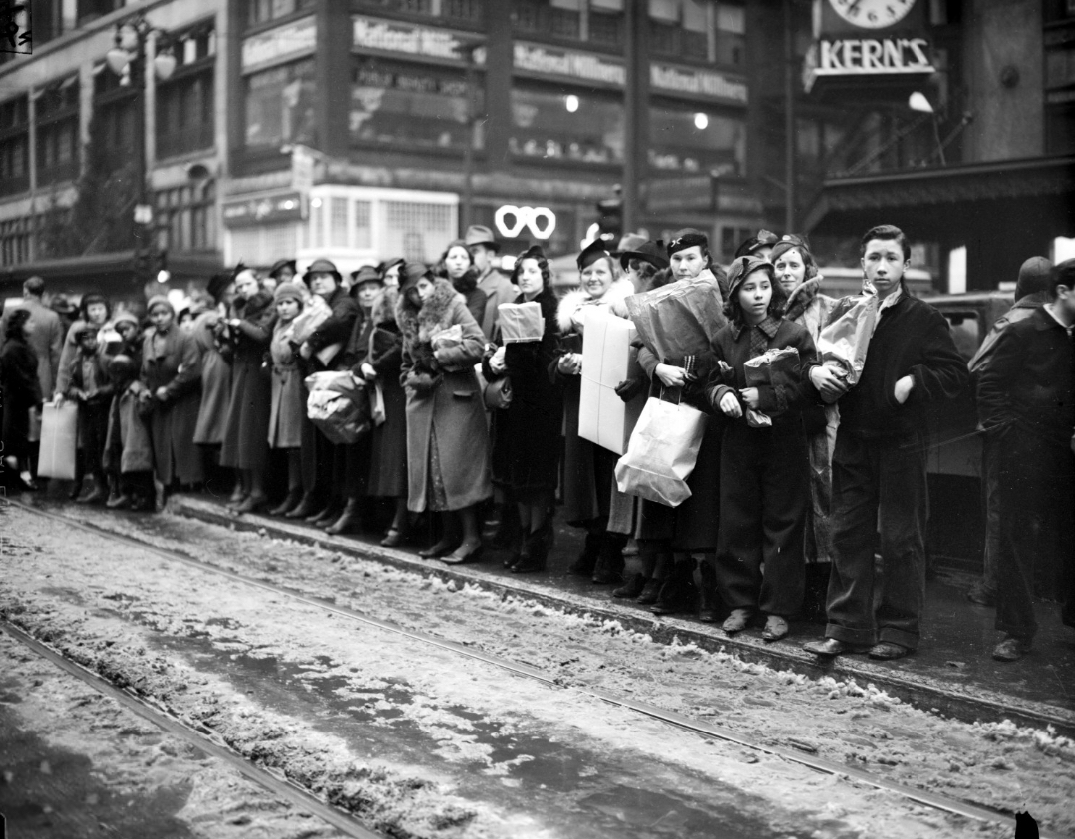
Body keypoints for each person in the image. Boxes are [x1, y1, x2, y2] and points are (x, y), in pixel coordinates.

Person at [803, 225, 968, 661]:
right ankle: (847, 627)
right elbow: (823, 361)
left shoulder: (924, 319)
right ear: (862, 262)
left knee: (900, 539)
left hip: (901, 444)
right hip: (854, 439)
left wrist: (914, 380)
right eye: (874, 257)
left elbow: (955, 374)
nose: (881, 267)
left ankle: (899, 630)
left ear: (906, 265)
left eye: (891, 258)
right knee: (848, 535)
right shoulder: (845, 312)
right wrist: (821, 377)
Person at [705, 256, 817, 642]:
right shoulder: (724, 338)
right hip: (739, 442)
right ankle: (740, 604)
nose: (758, 296)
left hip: (784, 442)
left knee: (783, 523)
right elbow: (709, 379)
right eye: (749, 288)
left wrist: (766, 395)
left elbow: (810, 388)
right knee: (737, 520)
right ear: (735, 293)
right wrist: (721, 394)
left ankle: (778, 610)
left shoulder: (794, 336)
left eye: (765, 287)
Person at [977, 258, 1075, 661]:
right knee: (1017, 538)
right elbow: (989, 383)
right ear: (1064, 292)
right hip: (1024, 450)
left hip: (1066, 451)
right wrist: (1008, 434)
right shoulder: (1021, 331)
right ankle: (1016, 632)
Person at [630, 229, 727, 617]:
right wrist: (659, 367)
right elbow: (641, 346)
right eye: (677, 259)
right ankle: (676, 578)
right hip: (670, 397)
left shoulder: (719, 295)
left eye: (690, 258)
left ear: (705, 259)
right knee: (665, 484)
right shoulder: (658, 298)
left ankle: (708, 585)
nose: (683, 266)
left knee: (701, 495)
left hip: (709, 402)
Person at [965, 256, 1053, 608]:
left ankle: (993, 585)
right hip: (1048, 433)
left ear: (1020, 286)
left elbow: (976, 369)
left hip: (1005, 432)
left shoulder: (1012, 321)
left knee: (1000, 507)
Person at [398, 263, 492, 563]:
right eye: (411, 291)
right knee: (435, 473)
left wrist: (438, 357)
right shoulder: (408, 319)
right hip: (425, 403)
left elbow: (478, 344)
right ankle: (448, 537)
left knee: (457, 472)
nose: (418, 295)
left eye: (423, 287)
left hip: (456, 401)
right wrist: (411, 379)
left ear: (433, 283)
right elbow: (405, 362)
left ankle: (471, 539)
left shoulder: (453, 305)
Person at [554, 239, 635, 583]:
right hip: (579, 404)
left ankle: (610, 551)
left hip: (613, 403)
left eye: (599, 271)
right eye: (586, 272)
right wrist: (562, 366)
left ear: (612, 274)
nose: (592, 278)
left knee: (608, 477)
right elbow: (552, 362)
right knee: (583, 480)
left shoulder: (622, 309)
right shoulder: (570, 317)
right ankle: (593, 541)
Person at [770, 235, 841, 619]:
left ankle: (823, 588)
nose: (785, 272)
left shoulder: (826, 308)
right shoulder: (766, 307)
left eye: (793, 264)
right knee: (790, 502)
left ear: (807, 268)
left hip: (820, 418)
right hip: (783, 418)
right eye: (779, 265)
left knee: (824, 498)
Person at [484, 245, 563, 573]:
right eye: (522, 272)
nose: (526, 277)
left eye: (533, 271)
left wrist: (508, 358)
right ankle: (524, 540)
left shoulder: (552, 308)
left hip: (539, 406)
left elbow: (544, 362)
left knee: (537, 481)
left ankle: (537, 543)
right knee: (519, 480)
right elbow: (497, 356)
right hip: (514, 406)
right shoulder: (513, 307)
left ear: (544, 274)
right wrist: (493, 361)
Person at [290, 258, 361, 524]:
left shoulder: (343, 301)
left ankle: (337, 505)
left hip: (339, 383)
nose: (318, 281)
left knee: (336, 449)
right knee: (323, 448)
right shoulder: (321, 304)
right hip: (322, 382)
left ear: (337, 279)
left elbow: (339, 321)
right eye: (313, 278)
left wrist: (310, 341)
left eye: (324, 276)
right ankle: (327, 503)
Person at [324, 266, 384, 536]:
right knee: (349, 450)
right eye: (363, 290)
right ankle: (349, 509)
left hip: (374, 391)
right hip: (355, 389)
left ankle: (356, 512)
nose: (368, 293)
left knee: (365, 453)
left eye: (373, 288)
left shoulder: (381, 318)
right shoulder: (360, 319)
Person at [218, 268, 275, 513]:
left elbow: (262, 334)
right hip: (240, 369)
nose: (242, 290)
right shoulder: (237, 306)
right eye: (239, 286)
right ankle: (246, 487)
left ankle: (257, 490)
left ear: (258, 283)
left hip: (256, 370)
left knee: (252, 430)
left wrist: (238, 324)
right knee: (239, 430)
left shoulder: (270, 304)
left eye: (247, 284)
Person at [141, 296, 204, 506]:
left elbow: (191, 369)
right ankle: (168, 485)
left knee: (182, 443)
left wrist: (169, 389)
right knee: (162, 446)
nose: (159, 319)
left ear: (172, 315)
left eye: (164, 314)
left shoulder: (185, 339)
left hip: (183, 400)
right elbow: (144, 372)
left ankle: (186, 485)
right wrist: (145, 390)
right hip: (159, 403)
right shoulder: (148, 341)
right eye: (155, 315)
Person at [363, 270, 410, 547]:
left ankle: (399, 521)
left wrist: (376, 366)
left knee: (396, 461)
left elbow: (399, 348)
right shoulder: (382, 329)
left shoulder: (393, 329)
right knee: (391, 461)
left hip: (397, 394)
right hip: (387, 394)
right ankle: (395, 519)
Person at [0, 277, 63, 478]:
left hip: (14, 369)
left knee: (15, 419)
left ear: (25, 291)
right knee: (39, 421)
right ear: (43, 294)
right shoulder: (52, 316)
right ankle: (37, 470)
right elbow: (56, 354)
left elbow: (3, 342)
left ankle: (19, 469)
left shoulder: (11, 312)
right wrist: (56, 384)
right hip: (41, 370)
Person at [192, 273, 236, 490]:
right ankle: (219, 479)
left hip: (218, 366)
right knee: (219, 420)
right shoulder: (214, 317)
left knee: (217, 420)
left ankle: (218, 479)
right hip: (220, 366)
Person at [266, 281, 307, 516]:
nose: (284, 308)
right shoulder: (279, 326)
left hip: (294, 383)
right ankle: (291, 491)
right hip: (279, 383)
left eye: (289, 303)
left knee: (295, 442)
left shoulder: (299, 325)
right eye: (280, 304)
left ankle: (297, 492)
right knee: (286, 444)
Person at [64, 325, 114, 504]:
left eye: (93, 338)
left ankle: (112, 488)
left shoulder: (106, 361)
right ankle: (99, 487)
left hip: (103, 409)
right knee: (89, 448)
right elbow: (69, 387)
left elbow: (115, 384)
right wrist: (78, 393)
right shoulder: (75, 364)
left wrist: (100, 392)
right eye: (86, 339)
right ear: (80, 343)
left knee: (105, 447)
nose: (91, 342)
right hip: (86, 411)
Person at [103, 354, 155, 511]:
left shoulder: (136, 389)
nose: (116, 376)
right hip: (120, 433)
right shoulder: (119, 390)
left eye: (119, 372)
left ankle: (143, 497)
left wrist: (144, 398)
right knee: (121, 464)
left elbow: (145, 408)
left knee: (138, 468)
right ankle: (128, 494)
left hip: (134, 434)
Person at [0, 309, 43, 492]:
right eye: (29, 321)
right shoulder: (14, 348)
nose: (33, 324)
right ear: (20, 325)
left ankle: (20, 476)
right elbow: (22, 378)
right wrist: (37, 399)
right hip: (15, 400)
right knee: (14, 439)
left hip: (20, 400)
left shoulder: (21, 346)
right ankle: (19, 477)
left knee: (18, 439)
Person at [54, 292, 111, 403]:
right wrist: (60, 391)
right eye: (93, 309)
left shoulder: (113, 329)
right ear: (86, 312)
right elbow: (66, 361)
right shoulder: (79, 329)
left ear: (107, 310)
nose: (97, 313)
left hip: (107, 391)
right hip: (81, 389)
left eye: (100, 309)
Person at [465, 224, 517, 339]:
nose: (469, 258)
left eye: (475, 251)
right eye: (467, 253)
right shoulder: (461, 287)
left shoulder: (505, 288)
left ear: (490, 255)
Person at [437, 239, 488, 329]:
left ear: (470, 264)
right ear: (444, 263)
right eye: (453, 257)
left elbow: (469, 328)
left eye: (464, 258)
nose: (459, 262)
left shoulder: (478, 295)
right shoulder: (434, 291)